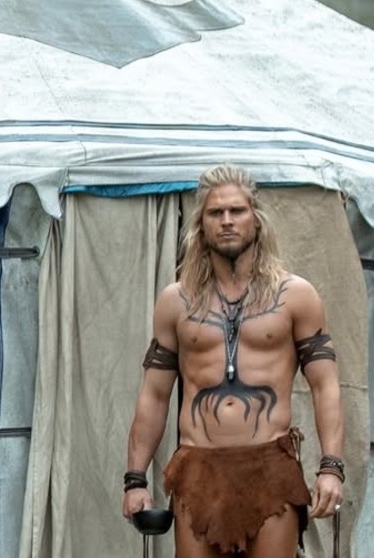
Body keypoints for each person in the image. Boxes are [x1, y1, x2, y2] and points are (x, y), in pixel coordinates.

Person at [122, 164, 345, 557]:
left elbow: (325, 385)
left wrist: (331, 467)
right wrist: (135, 479)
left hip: (269, 467)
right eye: (215, 212)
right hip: (197, 468)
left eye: (237, 211)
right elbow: (154, 395)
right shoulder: (176, 301)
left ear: (256, 219)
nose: (226, 220)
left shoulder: (296, 296)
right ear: (200, 224)